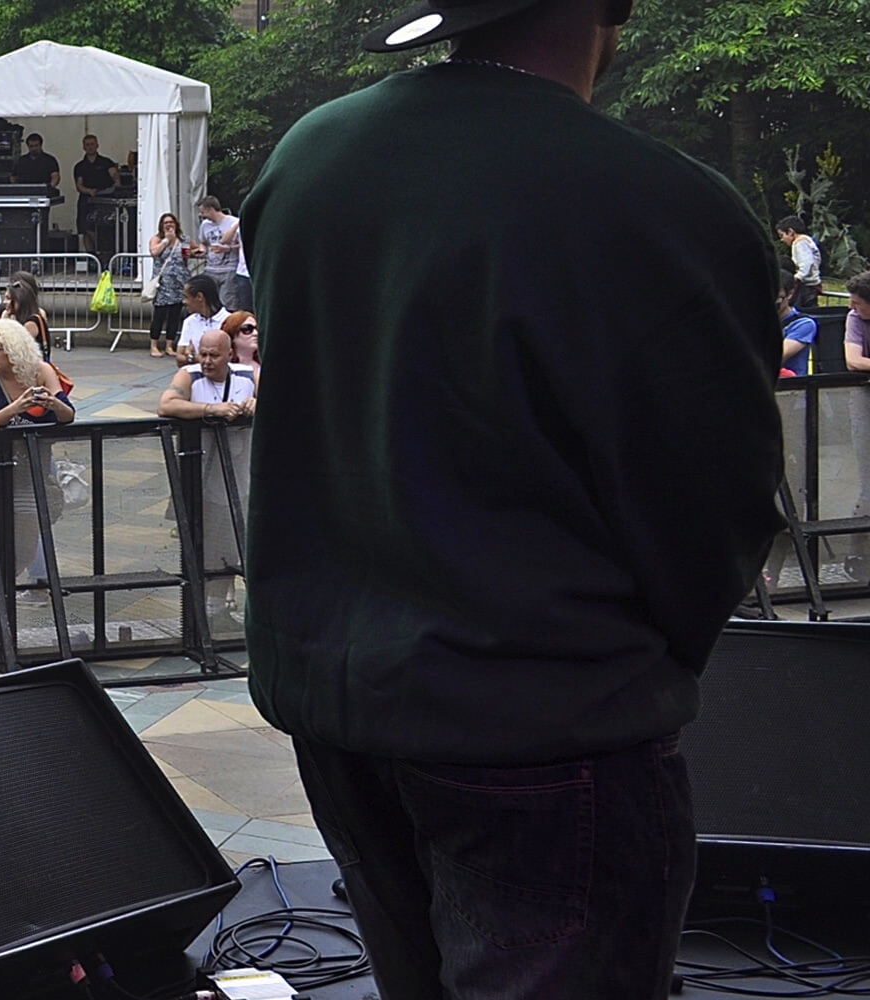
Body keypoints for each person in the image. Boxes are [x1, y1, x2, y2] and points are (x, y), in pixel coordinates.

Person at [242, 0, 787, 991]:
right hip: (545, 717)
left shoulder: (312, 153)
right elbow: (716, 501)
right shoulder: (664, 203)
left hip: (335, 697)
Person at [148, 213, 195, 357]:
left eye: (171, 222)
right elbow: (154, 252)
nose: (169, 225)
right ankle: (154, 345)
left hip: (180, 282)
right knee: (159, 315)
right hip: (163, 283)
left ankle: (170, 345)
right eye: (166, 223)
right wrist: (166, 240)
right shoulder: (157, 239)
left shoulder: (184, 239)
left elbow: (196, 249)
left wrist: (195, 252)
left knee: (175, 315)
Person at [194, 196, 251, 312]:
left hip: (229, 268)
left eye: (203, 212)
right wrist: (202, 250)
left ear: (211, 209)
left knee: (228, 303)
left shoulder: (234, 222)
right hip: (211, 269)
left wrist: (227, 249)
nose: (202, 215)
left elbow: (243, 245)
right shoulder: (205, 225)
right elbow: (204, 242)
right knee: (210, 302)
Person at [779, 215, 822, 308]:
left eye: (782, 235)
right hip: (810, 284)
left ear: (790, 232)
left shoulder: (799, 243)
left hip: (806, 285)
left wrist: (796, 278)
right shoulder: (807, 241)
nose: (782, 239)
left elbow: (807, 263)